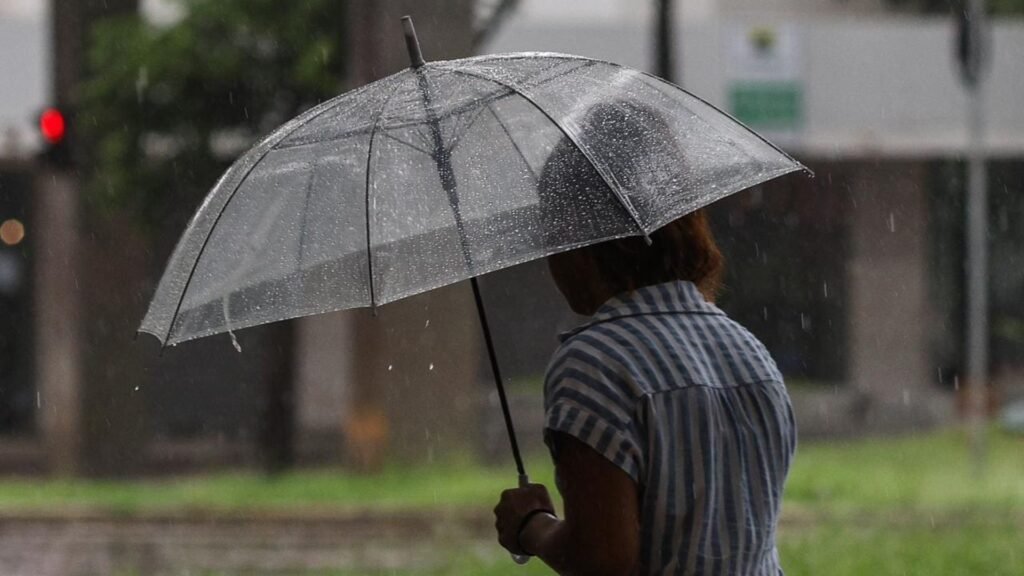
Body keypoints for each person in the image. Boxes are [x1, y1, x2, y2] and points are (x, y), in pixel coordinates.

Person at [493, 101, 797, 575]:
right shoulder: (749, 352)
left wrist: (531, 524)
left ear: (581, 235)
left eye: (551, 230)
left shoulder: (593, 365)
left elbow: (605, 562)